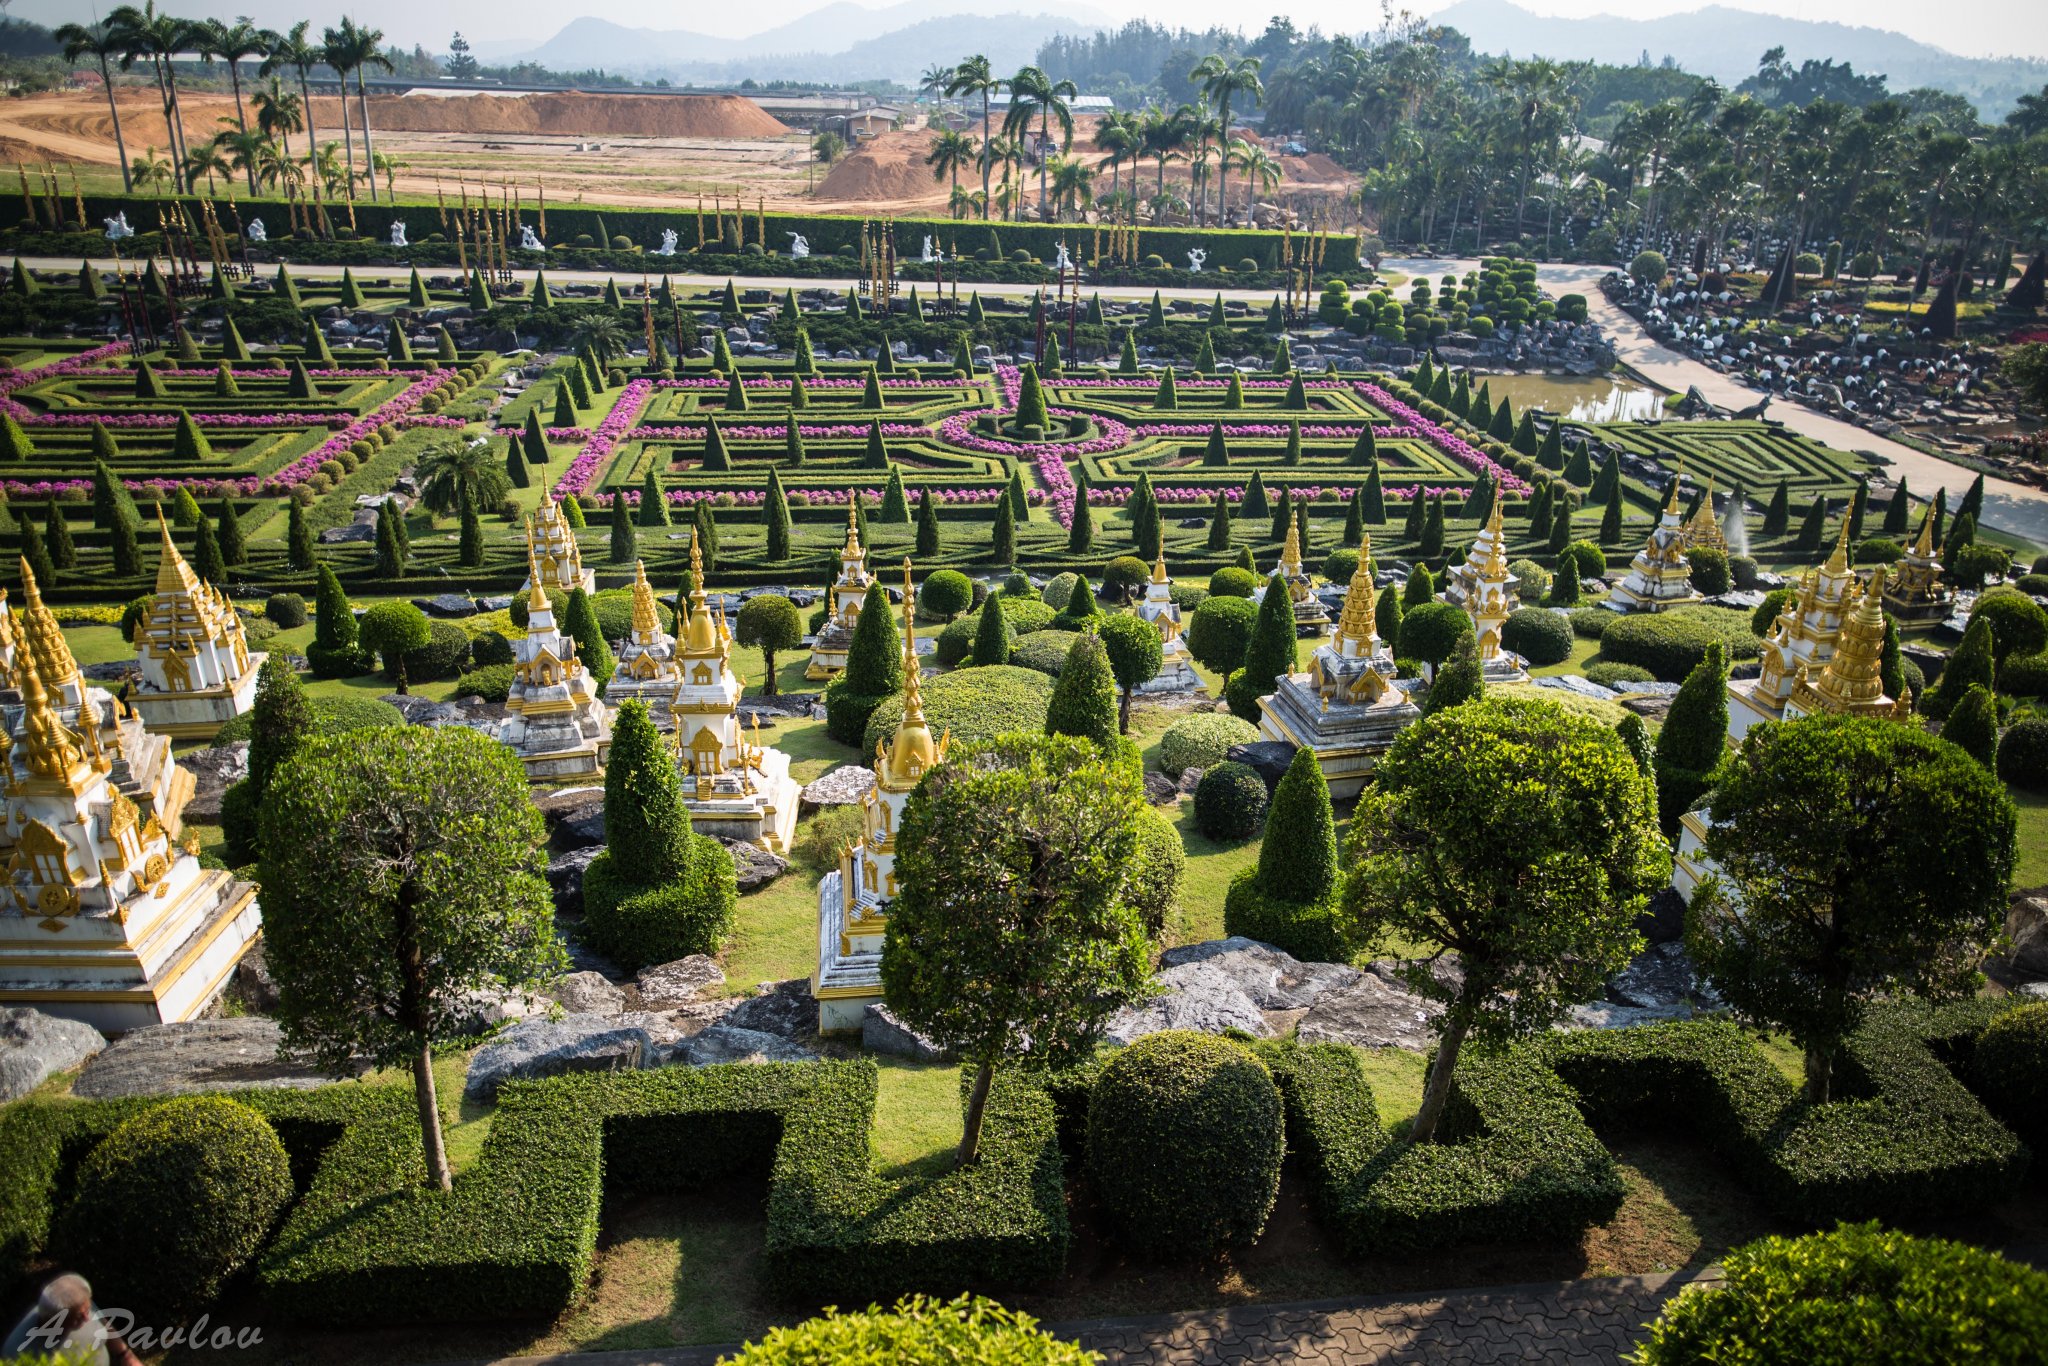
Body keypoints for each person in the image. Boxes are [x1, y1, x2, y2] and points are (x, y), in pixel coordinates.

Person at [1, 1274, 140, 1366]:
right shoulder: (17, 1353)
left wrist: (126, 1356)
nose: (88, 1318)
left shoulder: (79, 1302)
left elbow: (103, 1323)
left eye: (88, 1309)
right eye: (80, 1316)